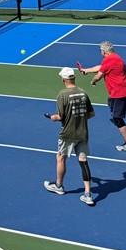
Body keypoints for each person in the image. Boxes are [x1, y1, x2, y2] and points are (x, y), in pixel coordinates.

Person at [80, 42, 126, 152]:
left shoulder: (108, 60)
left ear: (104, 51)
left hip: (119, 93)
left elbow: (99, 75)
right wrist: (86, 70)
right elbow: (101, 67)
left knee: (117, 118)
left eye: (101, 51)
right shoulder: (116, 57)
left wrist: (93, 81)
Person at [44, 67, 96, 206]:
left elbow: (60, 116)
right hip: (82, 132)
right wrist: (79, 118)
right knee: (83, 161)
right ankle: (88, 194)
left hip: (68, 133)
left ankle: (59, 186)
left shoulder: (62, 95)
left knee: (61, 158)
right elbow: (91, 114)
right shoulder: (83, 93)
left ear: (64, 80)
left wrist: (52, 117)